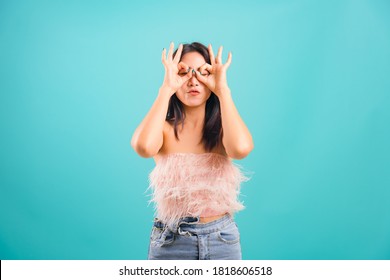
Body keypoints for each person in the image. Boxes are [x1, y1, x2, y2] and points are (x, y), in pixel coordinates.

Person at [131, 42, 254, 260]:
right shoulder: (164, 129)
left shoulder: (223, 129)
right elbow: (143, 147)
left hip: (222, 240)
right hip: (171, 241)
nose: (193, 80)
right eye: (183, 72)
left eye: (203, 72)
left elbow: (240, 149)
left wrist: (223, 89)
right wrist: (166, 88)